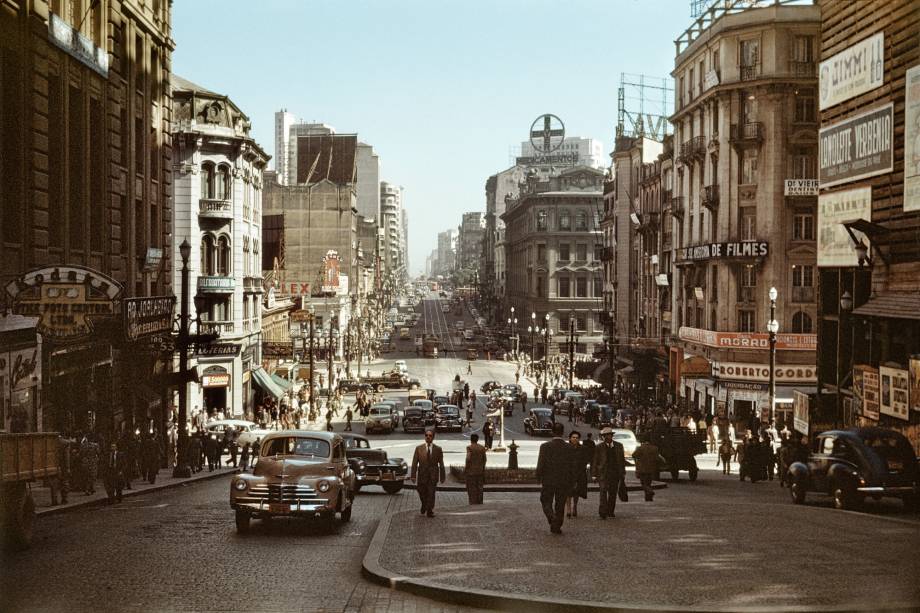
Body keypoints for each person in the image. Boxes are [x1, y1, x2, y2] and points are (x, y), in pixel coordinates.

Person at [535, 422, 576, 534]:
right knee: (560, 503)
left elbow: (541, 463)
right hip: (564, 480)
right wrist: (572, 481)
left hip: (549, 480)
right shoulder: (570, 447)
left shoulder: (545, 447)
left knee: (545, 500)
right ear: (563, 433)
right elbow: (573, 466)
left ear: (552, 432)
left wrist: (538, 476)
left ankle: (552, 517)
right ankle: (557, 525)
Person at [410, 430, 446, 517]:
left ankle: (429, 510)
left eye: (430, 435)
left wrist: (442, 476)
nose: (428, 437)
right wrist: (413, 475)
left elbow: (441, 463)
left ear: (433, 437)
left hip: (433, 475)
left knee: (431, 493)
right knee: (421, 491)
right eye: (426, 435)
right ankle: (424, 504)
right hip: (422, 475)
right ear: (424, 436)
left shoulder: (438, 449)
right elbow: (414, 463)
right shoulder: (419, 448)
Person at [593, 427, 626, 519]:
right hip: (603, 473)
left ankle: (610, 511)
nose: (607, 437)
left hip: (615, 473)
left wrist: (622, 472)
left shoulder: (619, 446)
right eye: (604, 436)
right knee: (603, 492)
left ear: (611, 436)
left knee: (613, 493)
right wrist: (594, 474)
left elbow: (622, 460)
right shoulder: (599, 447)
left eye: (608, 435)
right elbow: (595, 460)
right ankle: (602, 512)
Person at [565, 431, 588, 518]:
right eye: (573, 437)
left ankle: (575, 506)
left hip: (579, 473)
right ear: (570, 438)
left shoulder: (583, 448)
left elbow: (585, 460)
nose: (575, 439)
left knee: (576, 492)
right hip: (568, 473)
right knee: (568, 492)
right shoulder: (566, 448)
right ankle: (568, 508)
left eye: (577, 437)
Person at [631, 435, 661, 501]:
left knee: (643, 484)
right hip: (651, 468)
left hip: (642, 468)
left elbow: (633, 455)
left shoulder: (640, 448)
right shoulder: (655, 448)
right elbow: (657, 458)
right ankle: (648, 498)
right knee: (648, 483)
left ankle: (650, 491)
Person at [465, 433, 487, 504]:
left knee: (471, 487)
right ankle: (480, 501)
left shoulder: (469, 447)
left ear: (471, 439)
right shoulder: (482, 448)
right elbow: (485, 459)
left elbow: (468, 459)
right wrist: (482, 467)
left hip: (471, 471)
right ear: (477, 439)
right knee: (480, 487)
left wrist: (466, 468)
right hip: (480, 471)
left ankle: (473, 501)